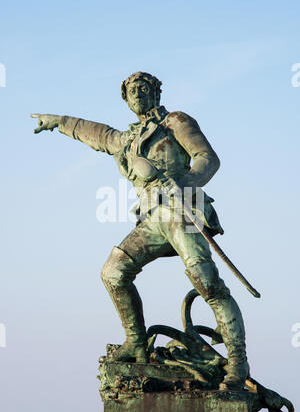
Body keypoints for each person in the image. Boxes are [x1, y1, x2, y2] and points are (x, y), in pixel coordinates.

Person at [31, 71, 249, 390]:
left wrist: (186, 181)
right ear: (126, 98)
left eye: (143, 87)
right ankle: (135, 342)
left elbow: (207, 158)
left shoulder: (174, 121)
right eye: (131, 90)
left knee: (208, 284)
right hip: (151, 220)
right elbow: (97, 133)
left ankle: (237, 362)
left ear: (156, 93)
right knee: (113, 272)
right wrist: (58, 121)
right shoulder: (127, 139)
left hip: (181, 211)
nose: (137, 93)